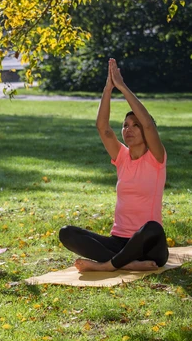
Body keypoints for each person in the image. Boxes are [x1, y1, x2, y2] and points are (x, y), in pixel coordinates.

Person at [58, 58, 170, 272]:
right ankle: (128, 264)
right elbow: (102, 127)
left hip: (149, 245)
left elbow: (147, 122)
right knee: (67, 233)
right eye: (125, 125)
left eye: (135, 126)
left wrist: (122, 86)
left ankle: (108, 265)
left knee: (152, 227)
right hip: (118, 242)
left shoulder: (156, 158)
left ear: (147, 132)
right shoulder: (122, 156)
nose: (129, 129)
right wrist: (108, 89)